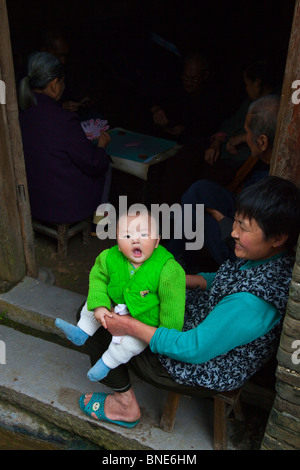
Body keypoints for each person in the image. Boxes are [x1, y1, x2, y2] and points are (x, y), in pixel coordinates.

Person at [78, 175, 300, 427]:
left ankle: (124, 405)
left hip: (200, 365)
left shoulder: (252, 303)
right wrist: (180, 279)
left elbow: (193, 348)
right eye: (236, 220)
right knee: (127, 296)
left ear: (278, 237)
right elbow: (225, 279)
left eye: (245, 227)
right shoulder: (271, 259)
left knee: (96, 317)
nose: (233, 232)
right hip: (201, 322)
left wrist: (128, 326)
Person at [55, 209, 185, 388]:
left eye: (144, 234)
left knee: (130, 344)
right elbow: (98, 279)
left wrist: (163, 333)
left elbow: (173, 309)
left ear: (156, 241)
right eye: (127, 234)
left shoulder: (168, 270)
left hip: (144, 321)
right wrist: (100, 306)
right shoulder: (109, 257)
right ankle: (81, 331)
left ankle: (106, 363)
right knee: (91, 306)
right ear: (117, 239)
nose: (135, 239)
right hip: (114, 306)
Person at [167, 94, 280, 267]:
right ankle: (174, 255)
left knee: (199, 219)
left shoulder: (273, 187)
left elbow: (247, 237)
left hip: (244, 250)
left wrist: (218, 216)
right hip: (240, 213)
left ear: (262, 141)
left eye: (247, 133)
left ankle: (183, 264)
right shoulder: (264, 164)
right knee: (200, 190)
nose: (245, 137)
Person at [157, 60, 282, 205]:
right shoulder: (249, 101)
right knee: (183, 158)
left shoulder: (275, 105)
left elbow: (271, 135)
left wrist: (242, 138)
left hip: (234, 159)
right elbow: (230, 123)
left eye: (247, 84)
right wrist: (218, 140)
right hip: (219, 147)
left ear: (257, 83)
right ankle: (165, 209)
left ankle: (181, 216)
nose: (245, 88)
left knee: (201, 181)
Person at [18, 51, 111, 226]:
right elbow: (92, 163)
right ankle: (98, 223)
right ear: (54, 84)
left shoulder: (22, 113)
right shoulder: (64, 120)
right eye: (62, 81)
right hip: (62, 208)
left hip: (33, 200)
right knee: (104, 165)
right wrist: (101, 147)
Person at [149, 51, 221, 144]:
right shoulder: (174, 85)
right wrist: (155, 109)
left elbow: (208, 127)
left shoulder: (212, 96)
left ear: (205, 76)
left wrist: (185, 130)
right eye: (186, 78)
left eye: (194, 79)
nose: (188, 83)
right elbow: (150, 97)